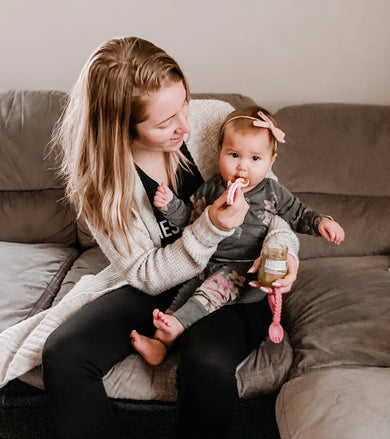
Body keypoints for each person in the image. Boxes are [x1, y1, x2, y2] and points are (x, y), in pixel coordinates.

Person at [42, 36, 300, 439]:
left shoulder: (205, 121)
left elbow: (275, 211)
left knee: (205, 360)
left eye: (183, 103)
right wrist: (208, 227)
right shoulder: (101, 180)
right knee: (64, 354)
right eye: (164, 122)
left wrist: (285, 258)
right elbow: (145, 275)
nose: (184, 123)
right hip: (157, 279)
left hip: (234, 276)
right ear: (122, 127)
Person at [131, 106, 345, 366]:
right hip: (208, 263)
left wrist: (323, 222)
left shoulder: (272, 192)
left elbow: (298, 214)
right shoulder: (212, 189)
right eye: (234, 155)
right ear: (219, 152)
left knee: (210, 290)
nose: (242, 167)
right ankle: (160, 343)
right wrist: (169, 205)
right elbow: (189, 219)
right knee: (184, 292)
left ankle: (176, 326)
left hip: (245, 271)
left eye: (255, 159)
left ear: (271, 161)